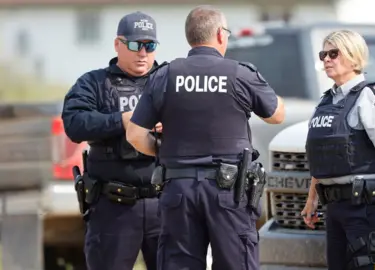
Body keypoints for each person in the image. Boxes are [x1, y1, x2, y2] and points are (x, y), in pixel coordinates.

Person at [125, 5, 285, 270]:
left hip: (178, 190)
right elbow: (276, 115)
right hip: (228, 193)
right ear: (221, 35)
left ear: (191, 37)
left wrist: (164, 153)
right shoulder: (239, 74)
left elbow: (135, 134)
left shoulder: (165, 75)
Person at [300, 30, 375, 270]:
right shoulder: (326, 102)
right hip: (333, 208)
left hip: (364, 207)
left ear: (353, 57)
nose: (327, 60)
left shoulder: (369, 96)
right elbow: (323, 157)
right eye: (323, 55)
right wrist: (311, 199)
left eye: (334, 53)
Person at [61, 11, 165, 270]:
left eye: (149, 45)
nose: (143, 53)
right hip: (113, 207)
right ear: (118, 44)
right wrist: (123, 121)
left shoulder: (169, 80)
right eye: (135, 45)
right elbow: (74, 123)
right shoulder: (94, 83)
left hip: (165, 205)